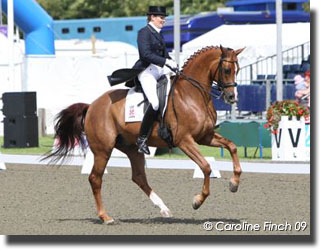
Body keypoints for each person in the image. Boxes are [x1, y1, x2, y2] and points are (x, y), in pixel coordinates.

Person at [133, 6, 177, 155]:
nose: (163, 20)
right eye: (161, 17)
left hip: (159, 70)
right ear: (152, 17)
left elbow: (164, 55)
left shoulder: (158, 34)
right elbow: (145, 54)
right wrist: (165, 61)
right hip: (147, 72)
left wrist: (173, 63)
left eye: (163, 17)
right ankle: (142, 138)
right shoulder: (144, 33)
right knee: (155, 102)